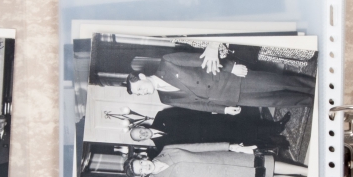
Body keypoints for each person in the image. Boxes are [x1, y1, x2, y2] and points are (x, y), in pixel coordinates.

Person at [125, 52, 316, 114]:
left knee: (279, 83)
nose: (143, 93)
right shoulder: (165, 99)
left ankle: (317, 88)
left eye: (139, 89)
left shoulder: (167, 62)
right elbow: (199, 105)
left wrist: (231, 67)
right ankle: (311, 102)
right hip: (229, 98)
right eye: (139, 94)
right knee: (274, 101)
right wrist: (223, 109)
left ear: (142, 76)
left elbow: (203, 60)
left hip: (233, 78)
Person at [126, 142, 308, 177]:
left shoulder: (167, 149)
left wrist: (230, 146)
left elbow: (200, 147)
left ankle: (306, 171)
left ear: (143, 158)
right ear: (143, 176)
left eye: (141, 163)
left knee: (268, 165)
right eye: (140, 170)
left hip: (224, 159)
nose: (144, 166)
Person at [128, 107, 291, 154]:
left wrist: (212, 111)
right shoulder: (161, 147)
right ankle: (275, 142)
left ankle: (276, 126)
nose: (142, 134)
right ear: (142, 140)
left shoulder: (161, 116)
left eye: (140, 131)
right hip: (209, 141)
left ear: (141, 126)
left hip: (209, 123)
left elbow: (187, 111)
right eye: (140, 137)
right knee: (243, 139)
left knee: (244, 126)